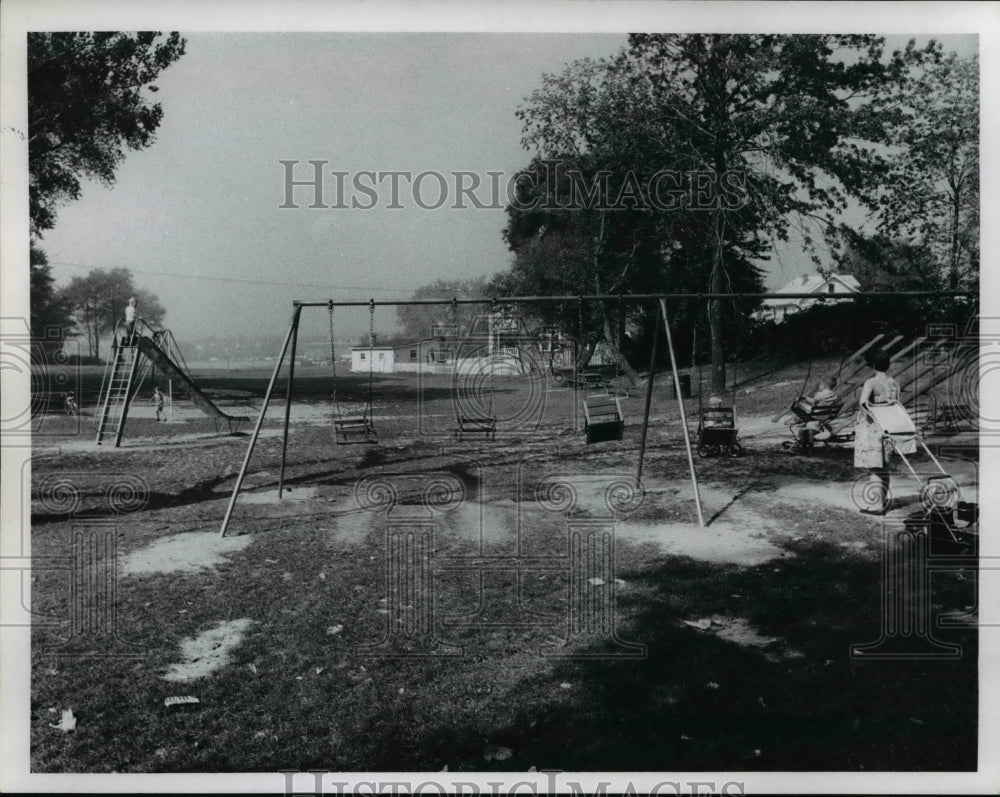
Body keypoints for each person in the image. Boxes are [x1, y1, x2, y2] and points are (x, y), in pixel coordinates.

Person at [854, 352, 905, 514]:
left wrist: (874, 413)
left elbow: (863, 403)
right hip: (888, 426)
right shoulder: (894, 382)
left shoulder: (871, 382)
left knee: (875, 467)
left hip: (874, 427)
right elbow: (897, 404)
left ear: (873, 366)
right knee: (884, 467)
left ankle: (877, 505)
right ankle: (880, 502)